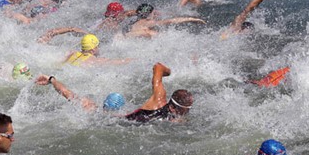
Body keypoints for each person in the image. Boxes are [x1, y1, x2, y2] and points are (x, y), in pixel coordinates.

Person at [36, 62, 193, 123]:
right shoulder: (159, 103)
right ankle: (51, 79)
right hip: (111, 122)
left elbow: (158, 67)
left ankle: (51, 79)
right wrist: (170, 72)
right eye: (187, 110)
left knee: (77, 100)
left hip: (112, 119)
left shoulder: (160, 101)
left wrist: (52, 79)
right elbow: (158, 66)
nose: (188, 113)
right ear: (175, 108)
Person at [122, 3, 205, 38]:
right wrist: (191, 19)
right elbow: (171, 21)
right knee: (152, 33)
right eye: (153, 13)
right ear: (149, 14)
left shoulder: (132, 23)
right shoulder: (147, 22)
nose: (155, 15)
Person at [64, 34, 131, 66]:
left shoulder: (72, 53)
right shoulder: (93, 60)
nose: (99, 48)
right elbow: (114, 61)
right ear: (93, 50)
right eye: (97, 46)